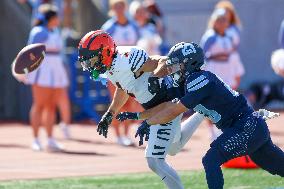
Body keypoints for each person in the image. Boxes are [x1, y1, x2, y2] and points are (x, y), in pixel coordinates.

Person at [130, 42, 284, 189]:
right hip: (250, 127)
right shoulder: (187, 82)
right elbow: (163, 101)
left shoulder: (199, 79)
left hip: (246, 126)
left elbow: (174, 110)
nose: (173, 69)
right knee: (276, 164)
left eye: (177, 65)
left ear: (189, 63)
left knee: (211, 159)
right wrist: (141, 86)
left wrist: (149, 123)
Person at [78, 30, 206, 189]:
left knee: (155, 161)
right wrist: (110, 113)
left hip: (166, 104)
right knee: (173, 147)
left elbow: (162, 61)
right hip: (156, 107)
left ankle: (201, 111)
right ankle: (201, 112)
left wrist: (154, 76)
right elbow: (124, 86)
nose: (90, 65)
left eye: (92, 59)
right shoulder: (111, 65)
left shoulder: (127, 58)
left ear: (105, 52)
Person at [26, 4, 69, 151]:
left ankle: (50, 139)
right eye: (56, 17)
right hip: (42, 71)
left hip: (56, 70)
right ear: (50, 18)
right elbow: (30, 52)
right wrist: (27, 70)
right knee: (39, 105)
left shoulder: (56, 31)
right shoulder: (38, 31)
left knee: (51, 106)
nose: (59, 19)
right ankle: (36, 139)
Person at [101, 0, 142, 146]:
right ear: (112, 9)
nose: (119, 9)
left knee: (130, 102)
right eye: (115, 7)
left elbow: (138, 45)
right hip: (115, 69)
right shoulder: (109, 27)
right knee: (117, 101)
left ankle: (125, 134)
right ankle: (117, 135)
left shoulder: (133, 26)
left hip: (131, 69)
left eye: (121, 6)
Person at [200, 8, 245, 141]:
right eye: (219, 20)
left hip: (227, 71)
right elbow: (202, 55)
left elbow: (233, 56)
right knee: (211, 102)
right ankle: (212, 131)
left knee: (228, 102)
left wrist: (236, 73)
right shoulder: (209, 37)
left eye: (224, 20)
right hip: (214, 70)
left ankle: (224, 129)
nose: (221, 23)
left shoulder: (230, 37)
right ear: (214, 22)